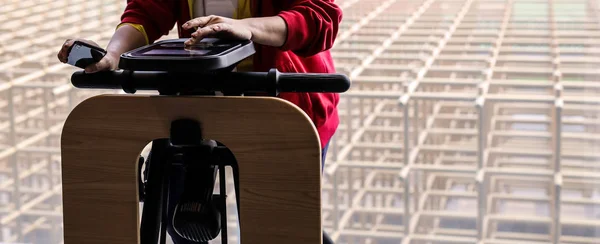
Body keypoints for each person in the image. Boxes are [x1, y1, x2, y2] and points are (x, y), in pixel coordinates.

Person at [57, 0, 341, 243]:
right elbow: (146, 12)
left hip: (283, 105)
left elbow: (319, 17)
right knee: (182, 218)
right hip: (197, 98)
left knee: (280, 226)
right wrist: (114, 53)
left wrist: (249, 28)